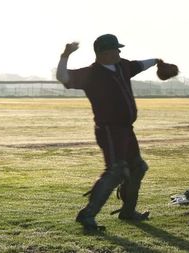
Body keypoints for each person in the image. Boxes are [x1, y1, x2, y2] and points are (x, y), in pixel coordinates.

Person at [56, 34, 160, 230]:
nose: (119, 52)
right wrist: (65, 55)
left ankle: (128, 212)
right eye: (115, 49)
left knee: (138, 168)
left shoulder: (122, 66)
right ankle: (87, 215)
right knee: (116, 170)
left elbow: (139, 65)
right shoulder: (91, 74)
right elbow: (63, 78)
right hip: (109, 130)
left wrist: (156, 61)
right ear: (104, 53)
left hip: (127, 130)